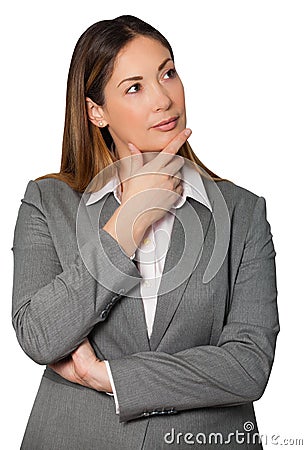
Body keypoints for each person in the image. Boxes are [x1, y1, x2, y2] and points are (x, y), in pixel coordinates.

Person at [11, 15, 279, 449]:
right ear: (96, 111)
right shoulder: (48, 202)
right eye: (134, 87)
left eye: (167, 73)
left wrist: (110, 377)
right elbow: (40, 335)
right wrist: (126, 225)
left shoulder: (242, 211)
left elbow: (248, 366)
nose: (163, 99)